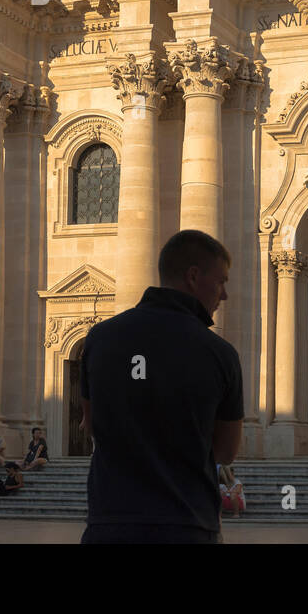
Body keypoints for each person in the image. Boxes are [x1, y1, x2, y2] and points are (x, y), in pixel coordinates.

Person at [81, 230, 243, 544]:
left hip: (110, 525)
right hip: (187, 525)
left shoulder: (99, 339)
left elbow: (91, 424)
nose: (224, 295)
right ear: (194, 276)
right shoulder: (220, 353)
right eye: (221, 281)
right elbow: (226, 450)